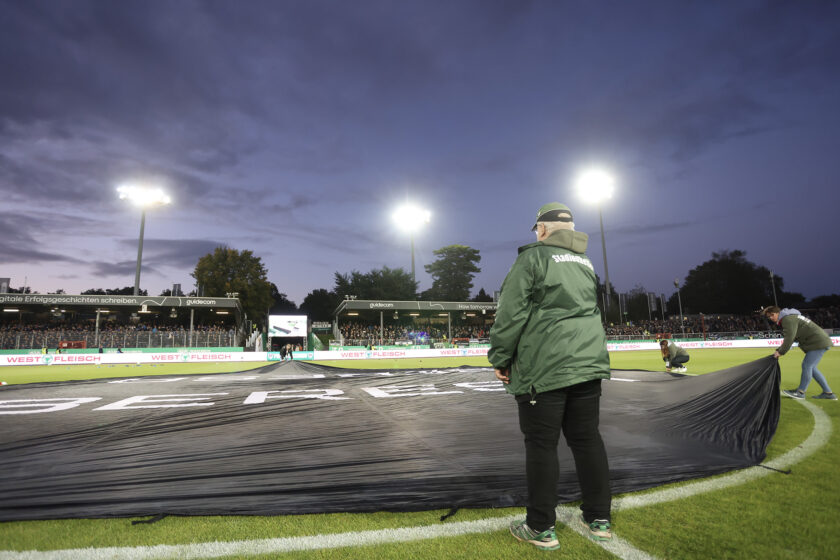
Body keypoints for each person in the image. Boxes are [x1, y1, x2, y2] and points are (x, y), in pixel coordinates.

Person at [489, 202, 612, 551]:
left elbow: (510, 315)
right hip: (587, 364)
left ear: (541, 229)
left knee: (542, 446)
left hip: (545, 367)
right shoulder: (585, 263)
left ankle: (541, 526)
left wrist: (499, 356)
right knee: (588, 440)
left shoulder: (533, 258)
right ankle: (599, 518)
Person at [763, 306, 836, 400]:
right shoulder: (791, 317)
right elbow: (791, 337)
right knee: (812, 368)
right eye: (769, 317)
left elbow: (790, 338)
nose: (771, 318)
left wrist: (780, 352)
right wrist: (779, 349)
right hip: (820, 341)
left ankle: (801, 392)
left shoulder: (787, 319)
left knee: (807, 366)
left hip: (817, 342)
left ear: (777, 313)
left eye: (772, 315)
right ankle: (828, 393)